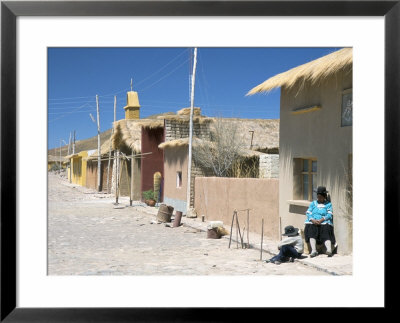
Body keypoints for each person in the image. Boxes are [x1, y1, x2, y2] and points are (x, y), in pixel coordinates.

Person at [304, 186, 336, 257]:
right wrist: (313, 220)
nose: (319, 198)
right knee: (312, 230)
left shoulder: (328, 204)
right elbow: (308, 212)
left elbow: (329, 214)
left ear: (324, 197)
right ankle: (314, 250)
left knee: (326, 231)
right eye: (318, 197)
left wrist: (321, 220)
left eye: (321, 197)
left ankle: (329, 250)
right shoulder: (313, 203)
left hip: (324, 221)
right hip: (314, 221)